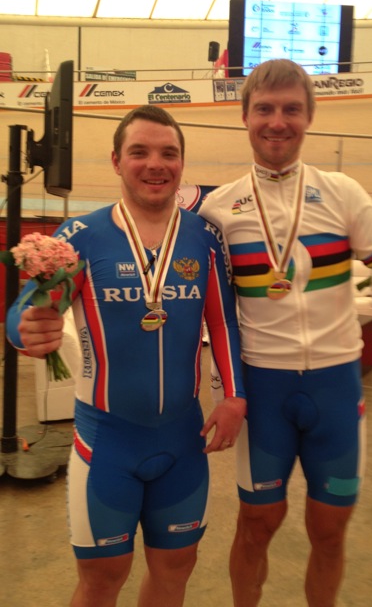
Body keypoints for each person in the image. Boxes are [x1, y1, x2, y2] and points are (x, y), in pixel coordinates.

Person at [6, 105, 246, 607]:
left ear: (181, 163)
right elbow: (28, 310)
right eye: (140, 152)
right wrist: (25, 330)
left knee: (175, 570)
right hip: (107, 445)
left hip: (183, 444)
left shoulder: (204, 237)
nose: (155, 164)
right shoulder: (81, 236)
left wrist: (234, 397)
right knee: (102, 579)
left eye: (168, 153)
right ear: (117, 161)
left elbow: (223, 323)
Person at [199, 59, 372, 607]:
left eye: (291, 109)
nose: (277, 121)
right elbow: (202, 302)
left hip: (336, 388)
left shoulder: (342, 191)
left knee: (329, 532)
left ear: (310, 116)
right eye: (264, 109)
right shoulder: (219, 209)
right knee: (256, 525)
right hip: (265, 391)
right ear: (245, 116)